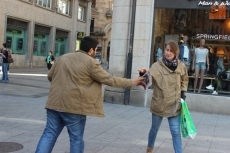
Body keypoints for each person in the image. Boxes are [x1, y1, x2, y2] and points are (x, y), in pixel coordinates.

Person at [35, 36, 145, 153]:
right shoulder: (91, 62)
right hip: (75, 107)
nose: (96, 52)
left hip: (54, 103)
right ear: (91, 50)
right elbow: (109, 79)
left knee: (49, 135)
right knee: (76, 139)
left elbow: (50, 76)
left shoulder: (63, 57)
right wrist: (132, 82)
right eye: (96, 49)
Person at [140, 40, 188, 153]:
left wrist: (183, 93)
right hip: (159, 103)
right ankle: (149, 149)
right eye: (167, 50)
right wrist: (143, 74)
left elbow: (185, 80)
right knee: (154, 129)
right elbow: (147, 80)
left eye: (171, 51)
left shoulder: (181, 66)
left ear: (176, 52)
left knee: (175, 131)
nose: (168, 53)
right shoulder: (157, 66)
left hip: (174, 103)